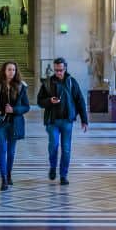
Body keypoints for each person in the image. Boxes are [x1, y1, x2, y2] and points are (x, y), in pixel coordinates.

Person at [37, 57, 88, 185]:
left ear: (65, 69)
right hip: (52, 121)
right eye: (56, 70)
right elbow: (39, 101)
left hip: (67, 121)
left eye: (60, 70)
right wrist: (49, 101)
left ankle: (63, 175)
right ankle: (53, 167)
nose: (58, 72)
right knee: (53, 146)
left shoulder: (72, 82)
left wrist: (84, 120)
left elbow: (80, 101)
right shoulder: (48, 83)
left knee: (66, 149)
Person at [0, 61, 30, 191]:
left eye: (14, 70)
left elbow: (26, 106)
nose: (11, 72)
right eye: (9, 69)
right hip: (0, 123)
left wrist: (14, 110)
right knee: (2, 149)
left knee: (11, 152)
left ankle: (9, 173)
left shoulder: (21, 87)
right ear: (4, 71)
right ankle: (3, 178)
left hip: (14, 123)